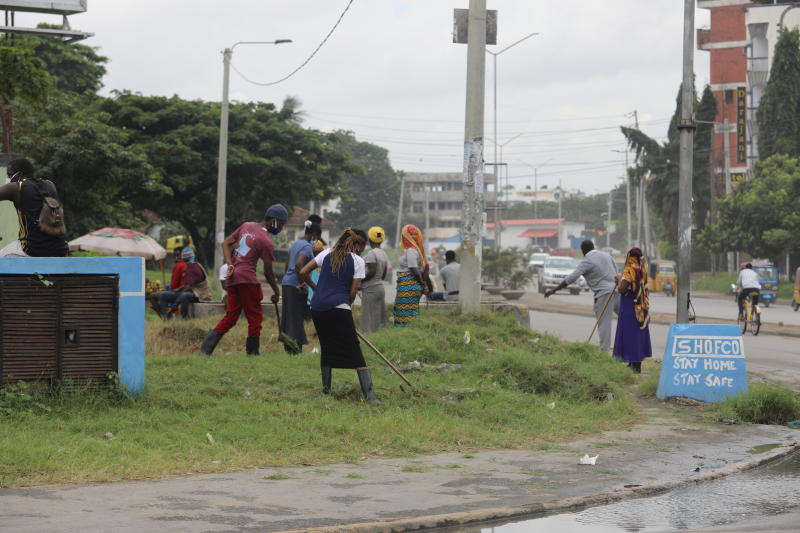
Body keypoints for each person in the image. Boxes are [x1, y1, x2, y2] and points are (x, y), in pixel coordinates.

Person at [299, 228, 380, 405]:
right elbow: (352, 293)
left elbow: (303, 272)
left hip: (317, 308)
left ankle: (326, 391)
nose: (362, 250)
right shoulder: (357, 260)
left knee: (327, 347)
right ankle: (370, 396)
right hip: (339, 307)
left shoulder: (326, 253)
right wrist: (344, 309)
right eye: (362, 246)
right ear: (357, 245)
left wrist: (316, 289)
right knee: (354, 349)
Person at [200, 204, 288, 356]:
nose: (281, 228)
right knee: (254, 316)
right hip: (248, 280)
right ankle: (252, 352)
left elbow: (226, 243)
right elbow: (268, 273)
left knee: (231, 316)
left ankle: (205, 349)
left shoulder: (247, 225)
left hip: (233, 279)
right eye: (281, 224)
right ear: (274, 221)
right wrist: (276, 290)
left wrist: (230, 264)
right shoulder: (266, 241)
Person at [544, 240, 619, 351]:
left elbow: (572, 277)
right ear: (593, 247)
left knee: (604, 323)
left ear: (583, 250)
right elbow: (617, 272)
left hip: (604, 294)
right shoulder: (607, 255)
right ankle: (628, 348)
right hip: (617, 291)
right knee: (626, 319)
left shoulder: (587, 261)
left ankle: (604, 351)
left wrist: (554, 290)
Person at [0, 157, 68, 257]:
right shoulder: (50, 185)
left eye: (9, 175)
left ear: (19, 175)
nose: (8, 179)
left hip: (32, 250)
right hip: (60, 249)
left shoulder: (16, 187)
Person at [280, 221, 322, 354]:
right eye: (318, 238)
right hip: (295, 285)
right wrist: (303, 283)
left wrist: (290, 277)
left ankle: (289, 348)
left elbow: (287, 264)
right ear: (315, 235)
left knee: (288, 317)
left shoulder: (296, 243)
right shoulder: (306, 247)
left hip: (287, 282)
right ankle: (295, 349)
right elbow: (299, 264)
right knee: (296, 317)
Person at [612, 248, 652, 373]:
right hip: (641, 305)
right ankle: (635, 363)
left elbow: (622, 289)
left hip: (629, 305)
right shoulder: (643, 268)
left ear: (630, 257)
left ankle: (633, 364)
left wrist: (619, 280)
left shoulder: (629, 269)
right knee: (638, 333)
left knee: (630, 334)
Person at [156, 247, 212, 318]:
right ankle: (166, 319)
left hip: (201, 295)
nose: (186, 262)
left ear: (192, 258)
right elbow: (187, 285)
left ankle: (184, 318)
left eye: (187, 260)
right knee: (163, 295)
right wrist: (178, 289)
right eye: (185, 260)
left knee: (184, 296)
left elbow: (189, 286)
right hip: (192, 292)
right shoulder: (189, 267)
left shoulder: (195, 267)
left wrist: (176, 303)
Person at [393, 224, 428, 327]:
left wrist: (422, 283)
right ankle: (412, 332)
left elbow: (413, 268)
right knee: (411, 313)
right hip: (411, 286)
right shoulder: (419, 250)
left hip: (408, 286)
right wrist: (424, 284)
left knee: (402, 312)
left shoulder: (411, 250)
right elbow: (426, 268)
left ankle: (402, 333)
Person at [360, 226, 390, 333]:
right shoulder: (383, 253)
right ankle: (378, 338)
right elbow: (384, 274)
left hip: (370, 289)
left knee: (368, 318)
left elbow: (372, 271)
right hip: (380, 288)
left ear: (369, 239)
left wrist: (359, 280)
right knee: (377, 319)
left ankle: (369, 340)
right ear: (382, 239)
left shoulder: (372, 253)